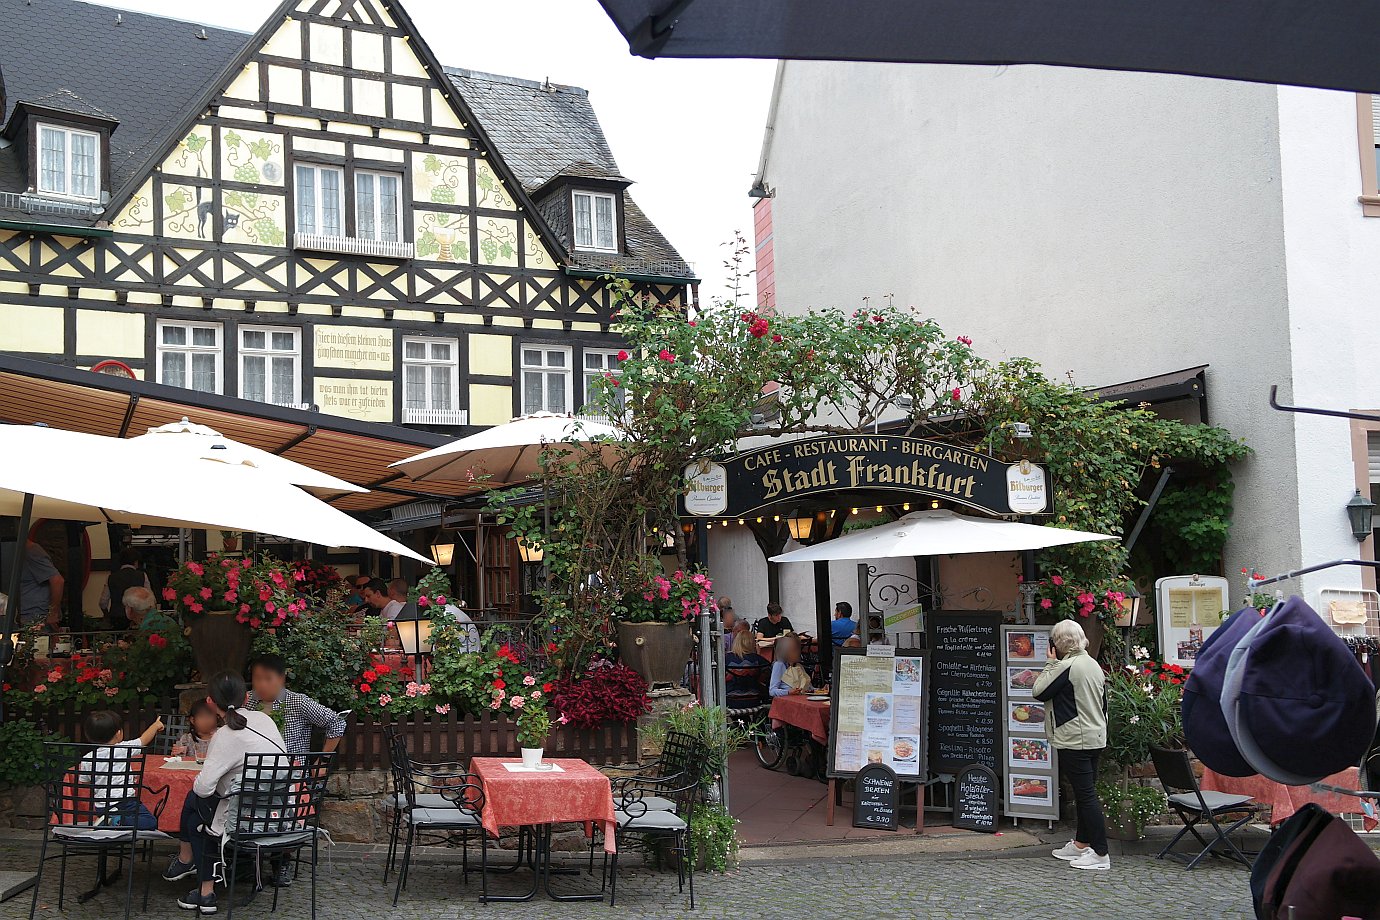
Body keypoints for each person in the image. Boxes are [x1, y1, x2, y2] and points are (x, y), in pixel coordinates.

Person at [163, 671, 286, 914]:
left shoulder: (224, 735)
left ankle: (201, 885)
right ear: (247, 697)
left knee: (196, 809)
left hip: (245, 817)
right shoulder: (265, 720)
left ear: (210, 702)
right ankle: (192, 869)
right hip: (280, 814)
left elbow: (204, 787)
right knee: (198, 810)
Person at [1034, 619, 1110, 871]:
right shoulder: (1093, 664)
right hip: (1095, 737)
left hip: (1074, 739)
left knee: (1086, 797)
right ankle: (1081, 844)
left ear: (1058, 644)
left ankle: (1100, 853)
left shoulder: (1065, 666)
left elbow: (1039, 691)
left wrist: (1050, 662)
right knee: (1085, 793)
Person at [78, 710, 165, 830]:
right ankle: (116, 821)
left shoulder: (87, 758)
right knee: (150, 822)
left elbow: (85, 782)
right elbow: (143, 740)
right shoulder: (123, 749)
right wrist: (155, 726)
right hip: (125, 802)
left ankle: (110, 819)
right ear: (118, 733)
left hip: (101, 806)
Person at [247, 654, 347, 757]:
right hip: (253, 768)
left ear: (281, 678)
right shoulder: (246, 700)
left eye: (268, 679)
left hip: (291, 769)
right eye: (257, 678)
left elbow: (337, 722)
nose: (262, 684)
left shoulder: (298, 702)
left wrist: (324, 759)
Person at [100, 548, 151, 629]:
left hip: (116, 616)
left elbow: (103, 602)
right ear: (136, 561)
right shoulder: (142, 576)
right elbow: (149, 598)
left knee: (118, 640)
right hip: (137, 617)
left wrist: (107, 615)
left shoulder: (111, 577)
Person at [18, 540, 62, 628]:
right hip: (21, 616)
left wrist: (53, 613)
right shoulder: (14, 551)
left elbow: (57, 580)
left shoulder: (31, 551)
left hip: (37, 618)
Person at [725, 628, 769, 702]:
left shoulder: (727, 658)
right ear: (752, 643)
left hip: (730, 700)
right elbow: (767, 677)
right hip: (754, 699)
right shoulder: (758, 659)